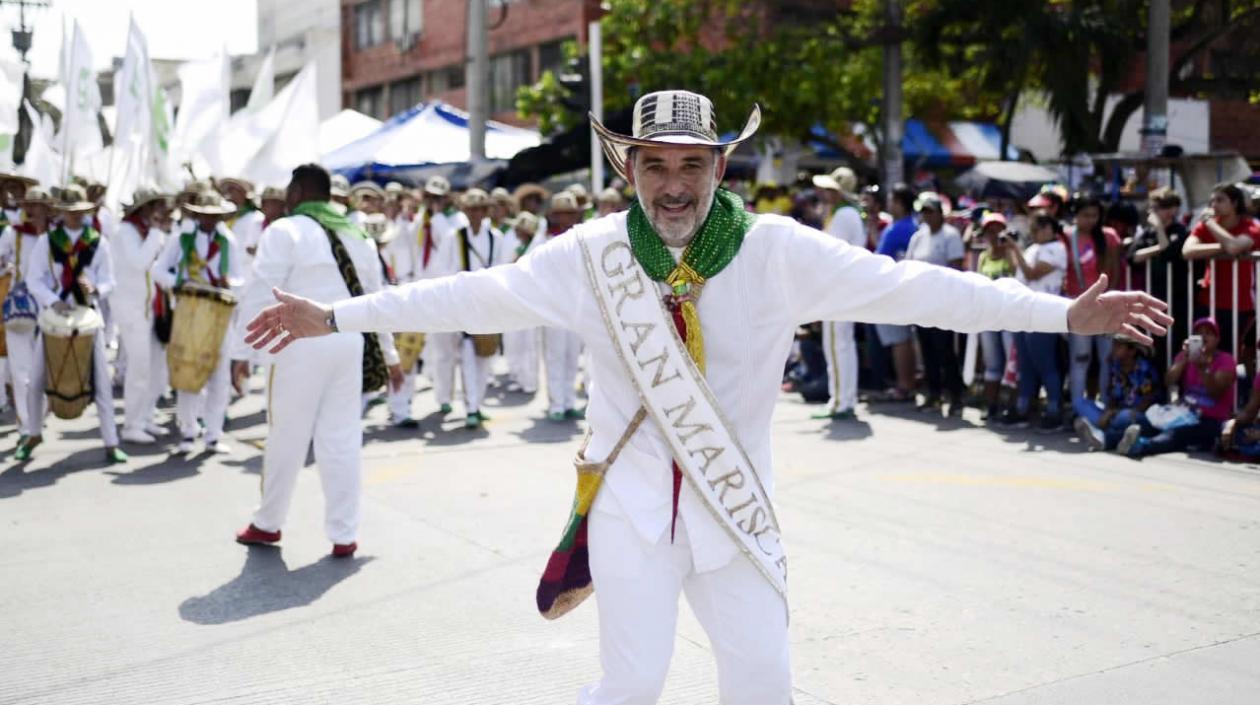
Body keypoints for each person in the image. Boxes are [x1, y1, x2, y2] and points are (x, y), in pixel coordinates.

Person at [242, 90, 1169, 705]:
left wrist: (1058, 314)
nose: (674, 184)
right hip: (632, 509)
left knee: (762, 677)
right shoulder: (588, 257)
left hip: (736, 504)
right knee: (630, 680)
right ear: (629, 170)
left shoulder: (777, 251)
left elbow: (918, 290)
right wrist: (337, 313)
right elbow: (466, 296)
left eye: (692, 165)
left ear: (721, 168)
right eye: (656, 166)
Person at [233, 164, 400, 558]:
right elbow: (379, 299)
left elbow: (260, 291)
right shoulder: (357, 233)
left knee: (286, 436)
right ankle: (344, 534)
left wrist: (242, 352)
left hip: (299, 341)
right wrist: (390, 356)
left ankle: (268, 523)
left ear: (297, 193)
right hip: (348, 340)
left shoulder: (284, 230)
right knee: (341, 438)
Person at [24, 185, 127, 464]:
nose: (75, 217)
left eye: (80, 212)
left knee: (102, 384)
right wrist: (52, 300)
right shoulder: (48, 241)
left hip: (88, 317)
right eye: (70, 212)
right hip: (53, 319)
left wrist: (95, 288)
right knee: (35, 381)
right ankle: (32, 433)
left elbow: (110, 281)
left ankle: (111, 442)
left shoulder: (98, 242)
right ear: (61, 213)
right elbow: (33, 279)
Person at [151, 192, 245, 454]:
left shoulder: (228, 241)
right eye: (204, 215)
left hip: (218, 314)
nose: (209, 220)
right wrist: (179, 284)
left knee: (219, 374)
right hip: (188, 312)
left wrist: (230, 284)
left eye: (214, 216)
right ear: (196, 215)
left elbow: (240, 278)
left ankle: (213, 434)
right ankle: (188, 431)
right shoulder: (181, 239)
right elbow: (158, 270)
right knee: (187, 370)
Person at [1121, 318, 1234, 458]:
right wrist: (1185, 359)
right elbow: (1168, 381)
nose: (1203, 337)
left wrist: (1203, 369)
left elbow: (1216, 393)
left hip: (1209, 419)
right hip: (1183, 413)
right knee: (1146, 422)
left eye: (1208, 333)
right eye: (1199, 333)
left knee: (1177, 433)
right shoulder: (1185, 356)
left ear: (1217, 339)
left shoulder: (1226, 360)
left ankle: (1141, 446)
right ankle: (1108, 439)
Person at [447, 188, 511, 429]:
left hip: (489, 305)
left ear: (486, 212)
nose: (475, 214)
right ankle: (471, 407)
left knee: (486, 357)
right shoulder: (455, 237)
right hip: (465, 305)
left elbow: (504, 269)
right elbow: (447, 271)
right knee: (467, 359)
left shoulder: (496, 237)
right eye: (471, 209)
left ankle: (478, 402)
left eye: (479, 209)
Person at [111, 189, 171, 445]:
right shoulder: (125, 232)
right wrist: (158, 233)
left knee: (153, 367)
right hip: (130, 308)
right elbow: (140, 262)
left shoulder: (143, 232)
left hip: (147, 307)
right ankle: (131, 425)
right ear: (142, 209)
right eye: (153, 207)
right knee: (139, 367)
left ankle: (145, 417)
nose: (158, 212)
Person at [1004, 214, 1069, 430]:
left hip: (1044, 313)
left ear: (1052, 228)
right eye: (1036, 227)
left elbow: (1032, 274)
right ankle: (1024, 408)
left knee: (1045, 363)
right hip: (1022, 312)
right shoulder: (1031, 249)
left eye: (1044, 226)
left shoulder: (1057, 249)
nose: (1039, 231)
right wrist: (1012, 251)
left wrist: (1014, 249)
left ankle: (1054, 409)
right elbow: (1020, 274)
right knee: (1026, 364)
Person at [0, 186, 51, 454]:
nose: (33, 211)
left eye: (38, 206)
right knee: (21, 372)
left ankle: (38, 416)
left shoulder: (56, 236)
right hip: (19, 308)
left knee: (45, 370)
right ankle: (26, 428)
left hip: (48, 308)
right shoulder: (12, 233)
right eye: (29, 205)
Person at [811, 167, 865, 421]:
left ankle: (840, 402)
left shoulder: (843, 215)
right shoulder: (845, 213)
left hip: (839, 287)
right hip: (845, 286)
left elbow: (830, 254)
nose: (824, 193)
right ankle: (844, 399)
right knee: (842, 344)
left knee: (837, 345)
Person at [1182, 181, 1259, 358]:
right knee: (1197, 351)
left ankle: (1230, 387)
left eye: (1220, 200)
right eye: (1212, 201)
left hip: (1238, 303)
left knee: (1228, 353)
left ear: (1235, 203)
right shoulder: (1206, 226)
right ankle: (1197, 386)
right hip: (1207, 301)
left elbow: (1234, 247)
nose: (1213, 205)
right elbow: (1187, 251)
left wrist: (1210, 224)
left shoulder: (1250, 227)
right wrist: (1223, 246)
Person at [905, 193, 966, 413]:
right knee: (927, 350)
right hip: (922, 302)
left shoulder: (950, 236)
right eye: (924, 212)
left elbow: (956, 267)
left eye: (931, 211)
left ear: (941, 213)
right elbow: (909, 265)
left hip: (943, 301)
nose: (927, 216)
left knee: (945, 350)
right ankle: (934, 394)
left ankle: (956, 395)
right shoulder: (918, 237)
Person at [1063, 192, 1123, 407]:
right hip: (1077, 305)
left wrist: (1109, 301)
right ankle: (1078, 406)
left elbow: (1114, 271)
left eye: (1095, 215)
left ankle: (1107, 405)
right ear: (1075, 215)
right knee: (1080, 357)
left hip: (1104, 305)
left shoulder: (1109, 236)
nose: (1091, 220)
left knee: (1107, 358)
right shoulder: (1066, 236)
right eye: (1085, 215)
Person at [418, 175, 467, 416]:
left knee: (461, 351)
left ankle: (470, 402)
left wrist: (436, 215)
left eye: (438, 197)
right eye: (430, 197)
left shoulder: (456, 220)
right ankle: (443, 397)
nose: (433, 201)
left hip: (452, 290)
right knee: (441, 351)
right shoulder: (423, 218)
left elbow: (449, 243)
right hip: (430, 289)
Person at [1127, 187, 1190, 363]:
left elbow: (1170, 252)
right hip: (1153, 295)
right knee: (1154, 346)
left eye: (1156, 209)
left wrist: (1160, 233)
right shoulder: (1149, 233)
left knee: (1174, 345)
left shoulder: (1181, 231)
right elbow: (1133, 256)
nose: (1151, 213)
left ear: (1172, 209)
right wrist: (1157, 247)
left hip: (1176, 299)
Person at [872, 183, 920, 402]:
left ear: (899, 203)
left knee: (899, 340)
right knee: (904, 340)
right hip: (907, 288)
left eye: (891, 200)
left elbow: (879, 257)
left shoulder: (898, 227)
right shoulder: (911, 225)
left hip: (895, 289)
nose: (889, 204)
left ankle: (904, 385)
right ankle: (907, 384)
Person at [540, 191, 586, 421]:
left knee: (572, 356)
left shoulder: (583, 238)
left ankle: (568, 401)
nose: (566, 218)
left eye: (570, 213)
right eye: (562, 214)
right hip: (554, 307)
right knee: (555, 356)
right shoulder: (545, 239)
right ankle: (556, 403)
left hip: (577, 306)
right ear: (554, 216)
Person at [1072, 334, 1161, 451]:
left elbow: (1148, 400)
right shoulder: (1115, 367)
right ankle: (1103, 427)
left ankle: (1100, 432)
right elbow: (1113, 396)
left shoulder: (1144, 369)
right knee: (1079, 402)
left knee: (1124, 418)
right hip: (1116, 413)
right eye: (1114, 345)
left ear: (1131, 351)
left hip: (1137, 413)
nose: (1113, 349)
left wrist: (1113, 414)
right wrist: (1109, 412)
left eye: (1118, 346)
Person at [974, 213, 1017, 420]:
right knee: (992, 362)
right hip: (989, 316)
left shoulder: (1012, 253)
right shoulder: (983, 256)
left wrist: (1009, 248)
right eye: (989, 231)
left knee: (1011, 362)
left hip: (1009, 315)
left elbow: (1017, 273)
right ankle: (991, 404)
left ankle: (1011, 405)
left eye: (998, 230)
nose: (994, 235)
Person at [502, 211, 541, 394]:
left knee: (530, 344)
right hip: (518, 300)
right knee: (517, 341)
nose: (515, 232)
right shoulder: (519, 247)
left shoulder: (536, 249)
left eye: (518, 229)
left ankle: (530, 381)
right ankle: (520, 377)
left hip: (532, 302)